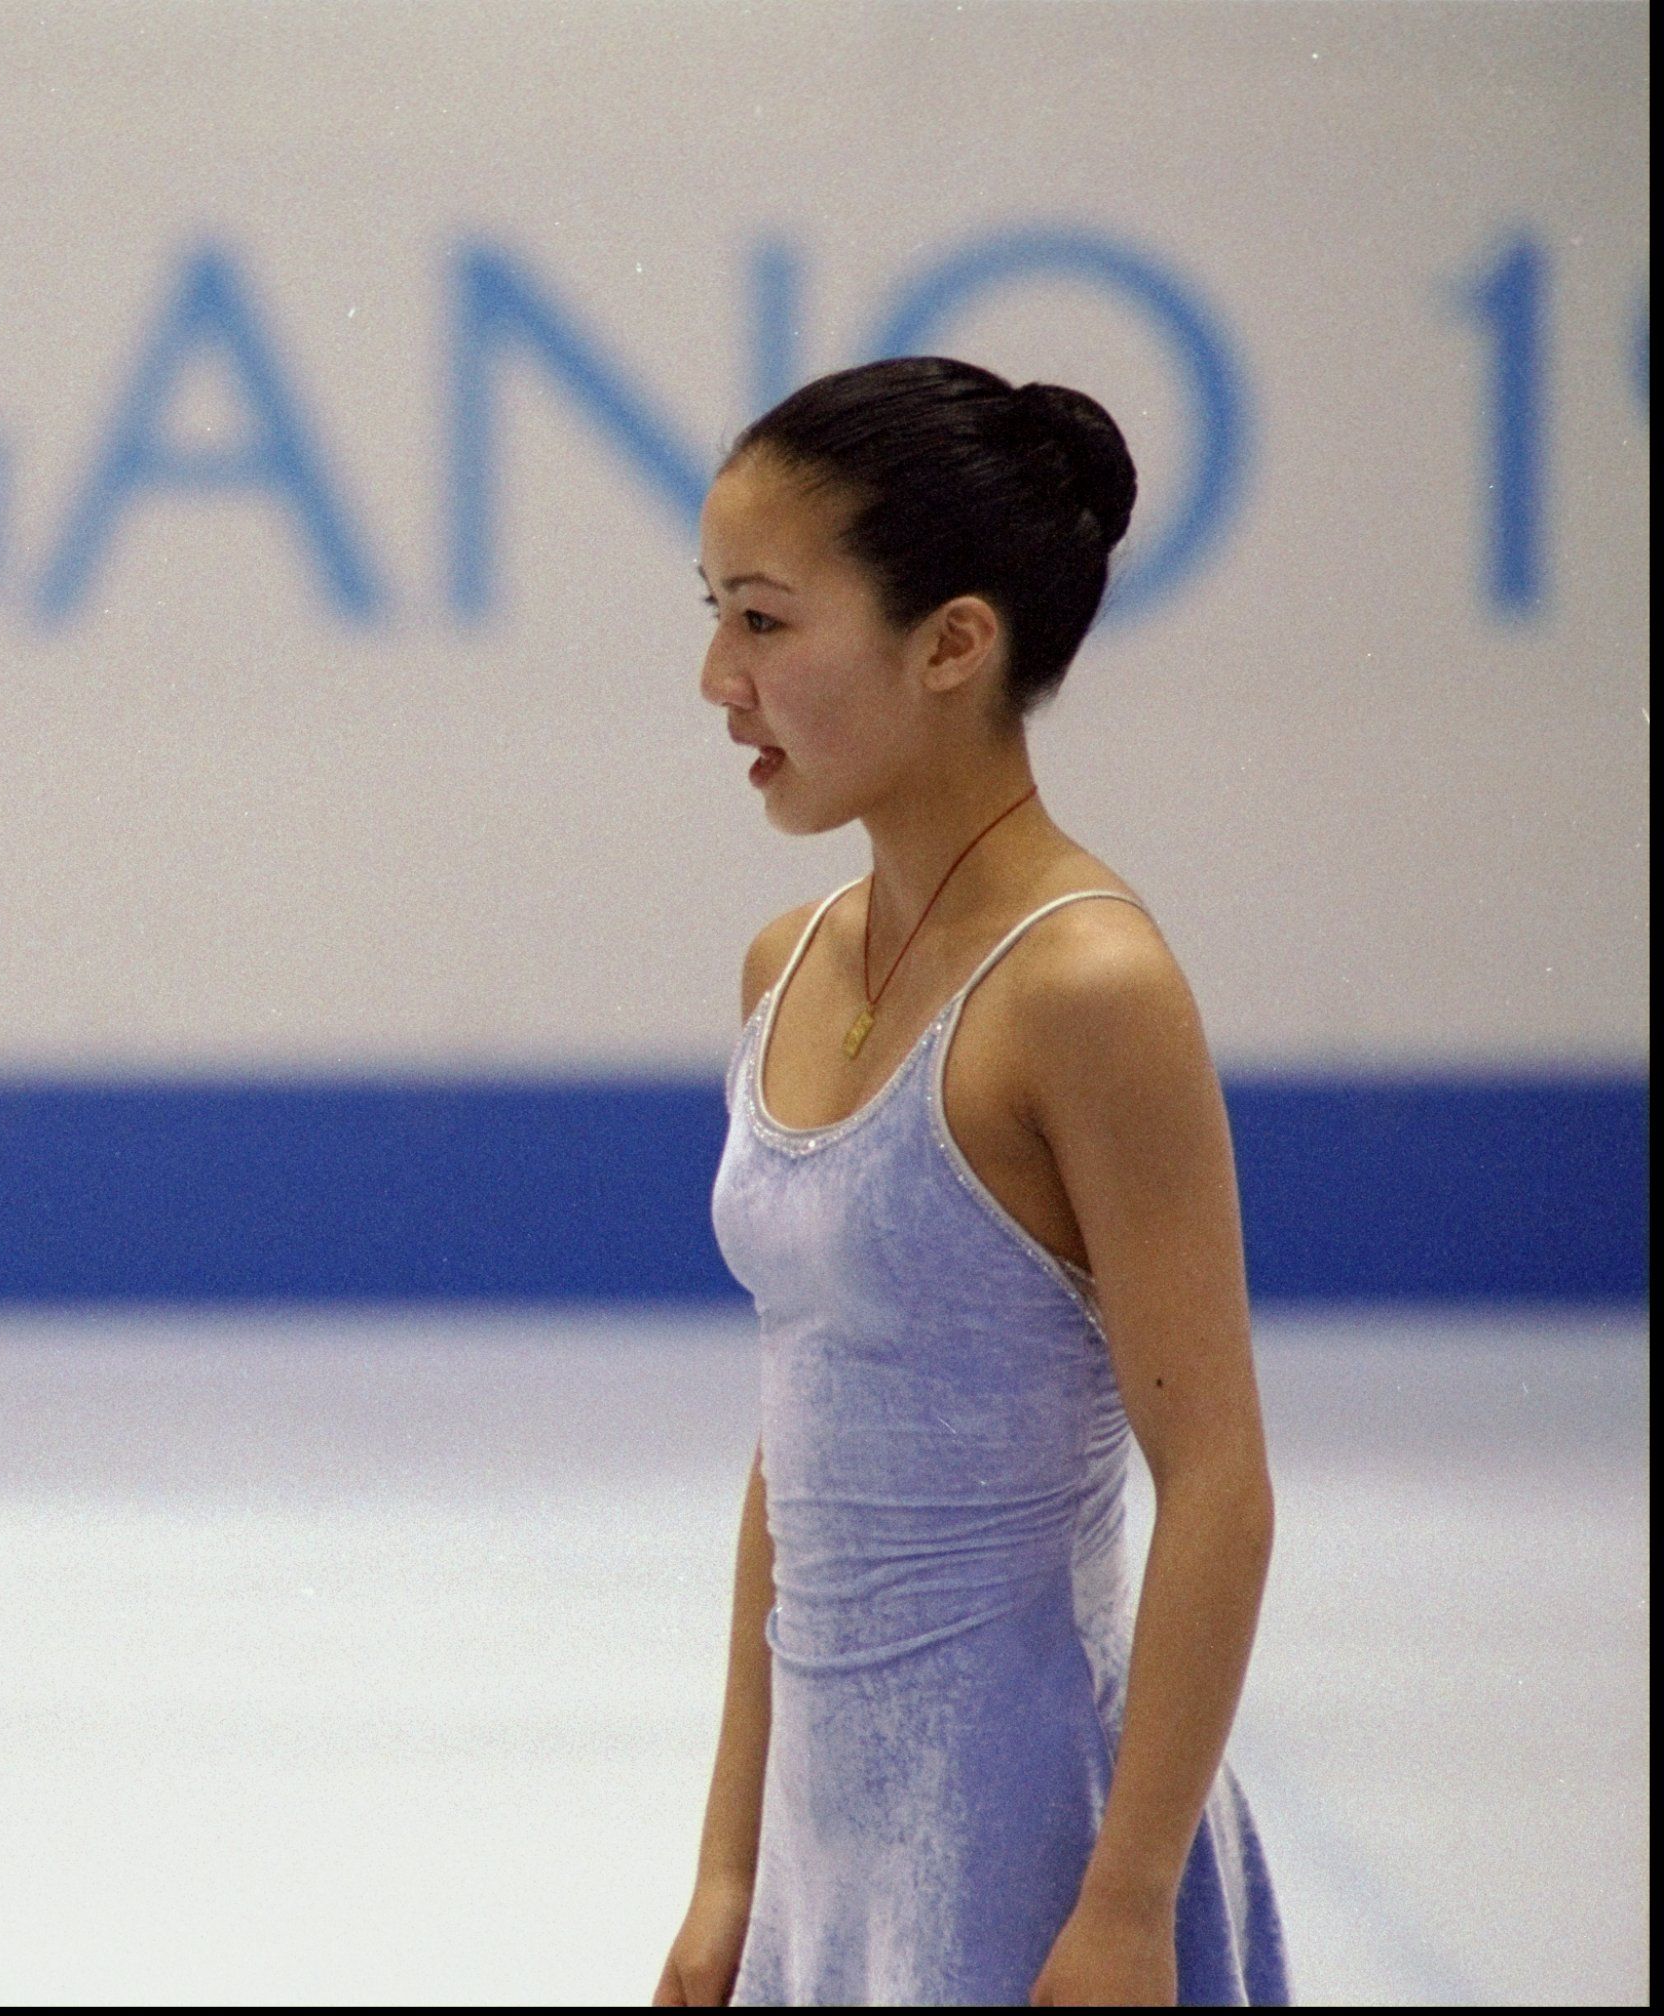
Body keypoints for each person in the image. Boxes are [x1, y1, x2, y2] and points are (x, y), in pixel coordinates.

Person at [657, 359, 1290, 2005]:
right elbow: (794, 1457)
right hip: (826, 1848)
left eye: (768, 623)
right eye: (715, 613)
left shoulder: (1087, 990)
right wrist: (732, 1872)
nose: (719, 676)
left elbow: (1216, 1478)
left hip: (1035, 1840)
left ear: (953, 642)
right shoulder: (782, 967)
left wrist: (1132, 1901)